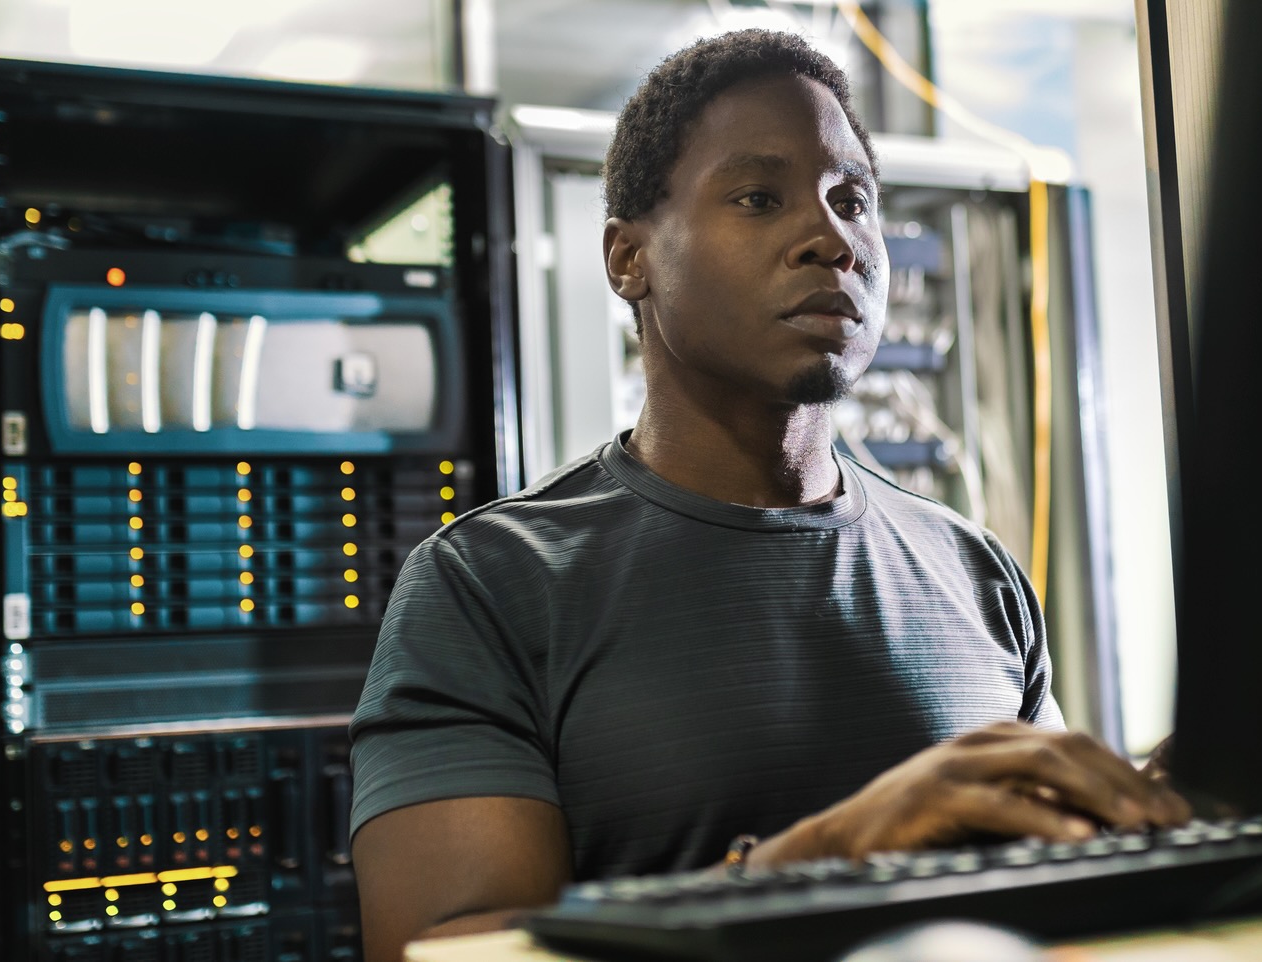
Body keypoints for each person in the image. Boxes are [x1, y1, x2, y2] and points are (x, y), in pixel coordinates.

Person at [347, 28, 1189, 960]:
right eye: (759, 197)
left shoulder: (970, 566)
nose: (832, 239)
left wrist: (1162, 810)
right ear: (629, 260)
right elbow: (433, 952)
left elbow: (1051, 884)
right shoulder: (486, 585)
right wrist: (819, 858)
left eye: (852, 200)